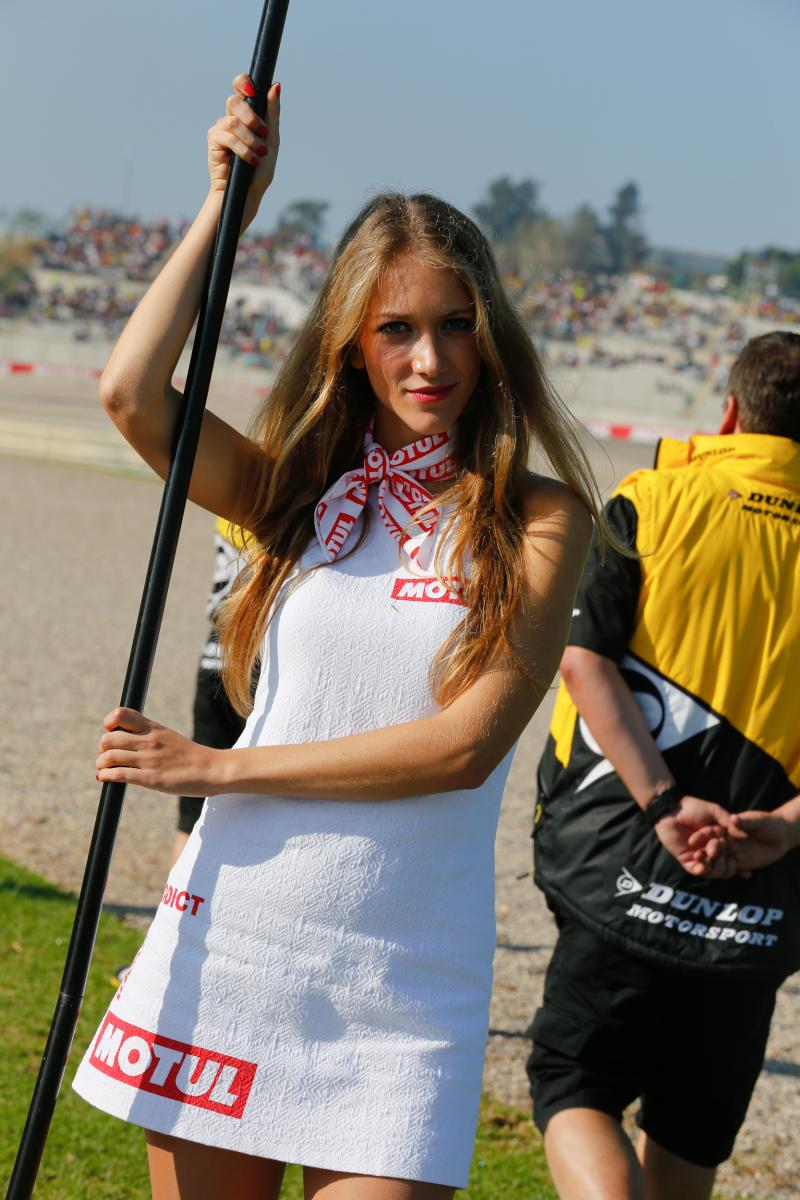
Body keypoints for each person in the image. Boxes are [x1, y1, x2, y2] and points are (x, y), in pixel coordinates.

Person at [71, 73, 600, 1200]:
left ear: (492, 337)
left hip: (401, 989)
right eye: (395, 330)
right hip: (237, 946)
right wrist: (230, 206)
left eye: (455, 327)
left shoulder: (542, 519)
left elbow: (463, 748)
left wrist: (218, 766)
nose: (429, 361)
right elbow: (129, 393)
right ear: (351, 346)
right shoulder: (304, 496)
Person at [528, 330, 800, 1200]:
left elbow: (582, 659)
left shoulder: (655, 498)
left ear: (729, 412)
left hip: (630, 860)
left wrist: (664, 805)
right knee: (691, 1128)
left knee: (576, 1086)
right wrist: (784, 830)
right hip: (763, 890)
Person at [171, 518, 248, 868]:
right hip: (249, 650)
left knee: (194, 817)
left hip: (221, 649)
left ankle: (175, 913)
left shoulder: (238, 491)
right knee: (197, 813)